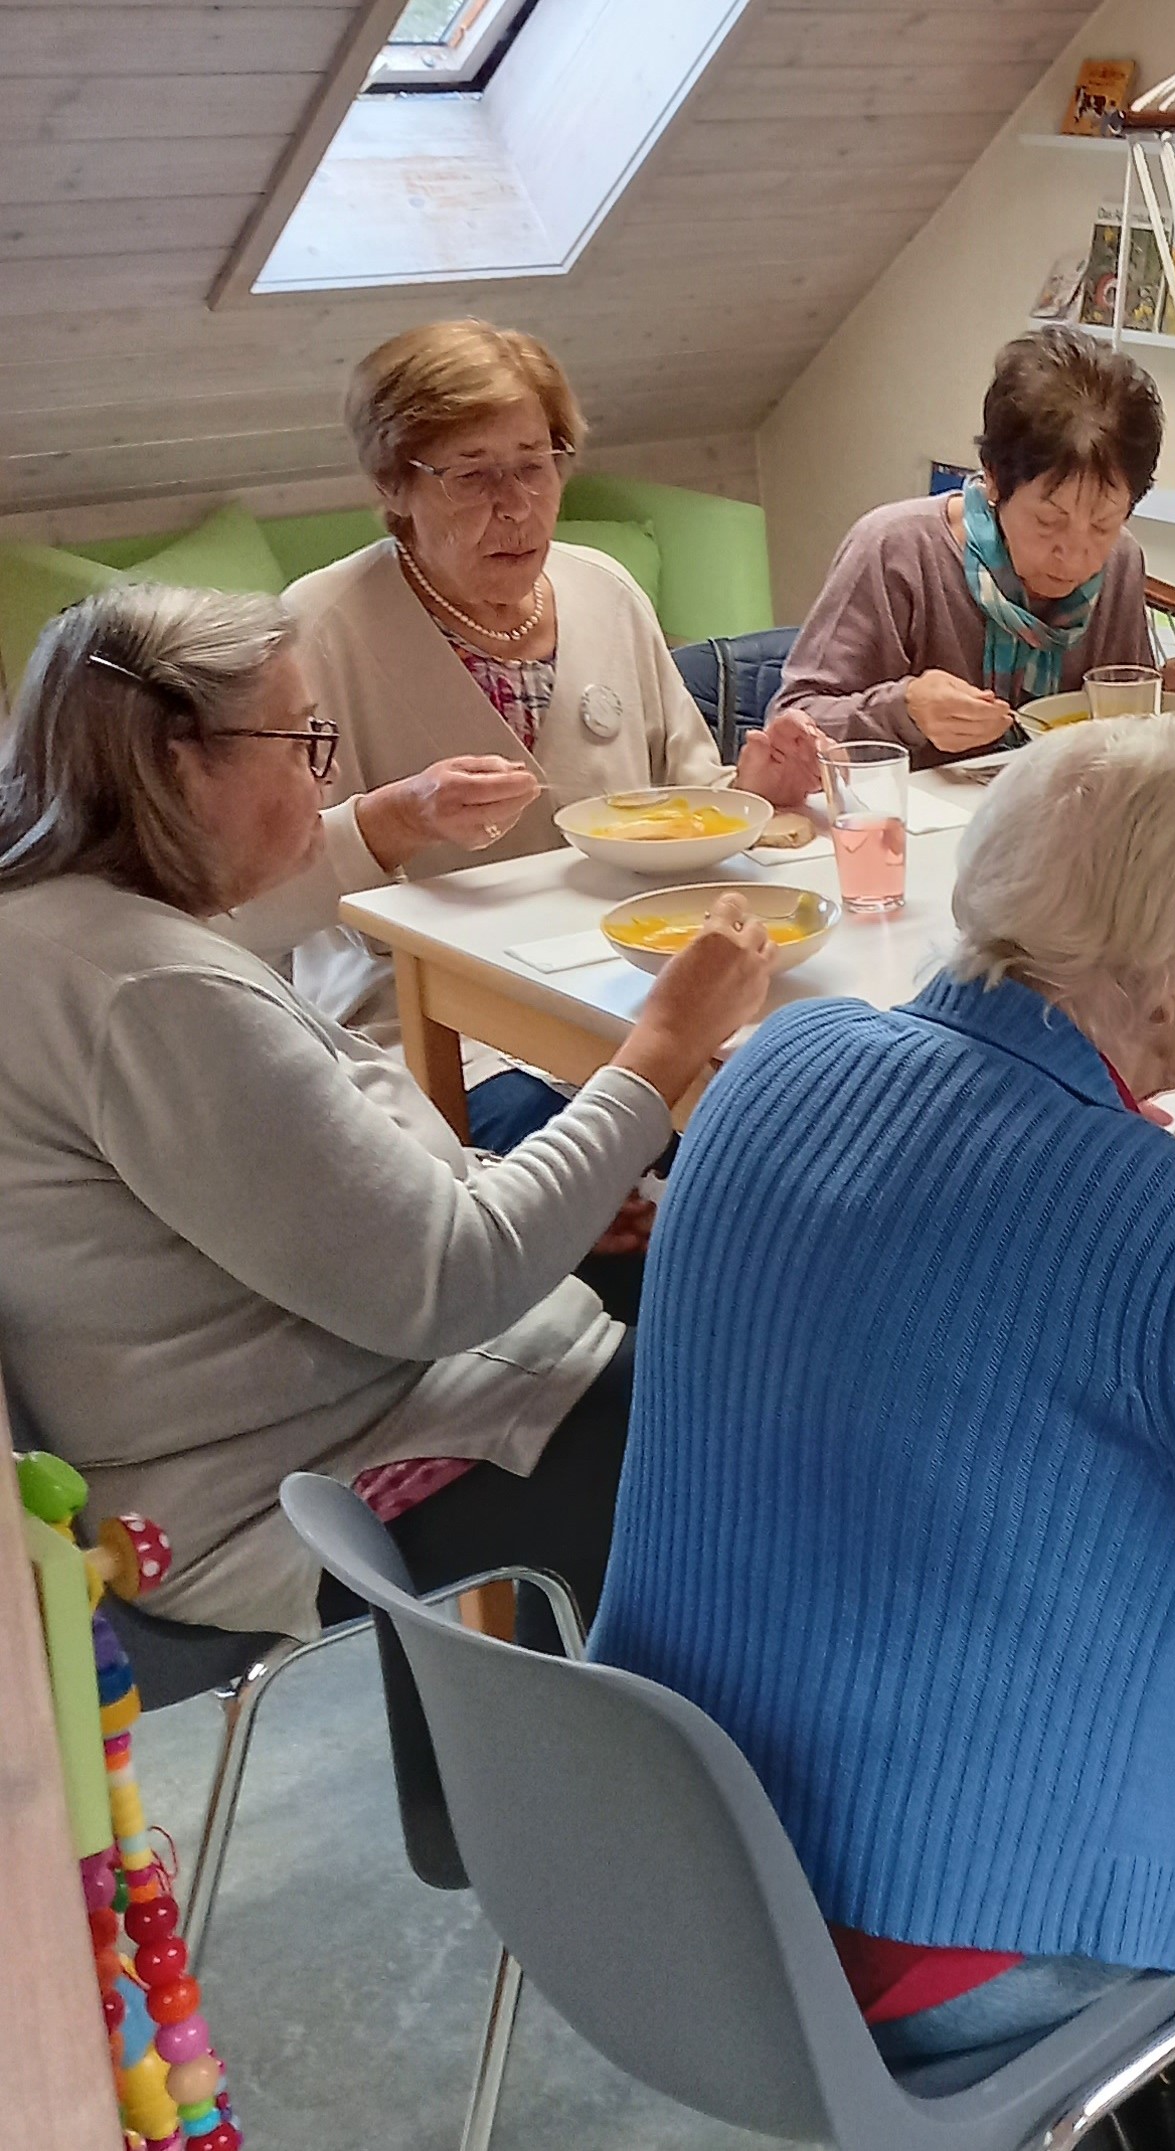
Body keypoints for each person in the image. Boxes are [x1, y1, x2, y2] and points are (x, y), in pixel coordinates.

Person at [589, 719, 1175, 2150]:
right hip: (935, 1935)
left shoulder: (774, 1059)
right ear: (1171, 979)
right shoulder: (1162, 1234)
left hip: (666, 1853)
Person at [0, 585, 769, 1638]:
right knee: (716, 1408)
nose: (323, 778)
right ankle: (560, 1734)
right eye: (301, 742)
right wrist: (662, 1049)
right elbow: (454, 1281)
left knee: (661, 1285)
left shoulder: (61, 918)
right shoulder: (151, 991)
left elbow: (331, 1194)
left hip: (267, 1414)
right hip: (274, 1483)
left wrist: (536, 1190)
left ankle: (510, 1724)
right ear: (181, 763)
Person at [224, 318, 821, 1152]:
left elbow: (689, 802)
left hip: (626, 985)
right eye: (472, 475)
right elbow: (248, 906)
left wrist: (754, 796)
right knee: (576, 1144)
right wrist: (393, 820)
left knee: (804, 1096)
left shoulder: (605, 591)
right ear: (394, 484)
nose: (516, 506)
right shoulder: (320, 628)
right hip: (432, 1024)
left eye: (535, 465)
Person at [773, 328, 1175, 768]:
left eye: (1103, 524)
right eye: (1049, 521)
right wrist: (904, 710)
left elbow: (1116, 734)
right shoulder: (896, 551)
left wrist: (1167, 695)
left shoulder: (1120, 561)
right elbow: (794, 720)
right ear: (994, 478)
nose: (1076, 557)